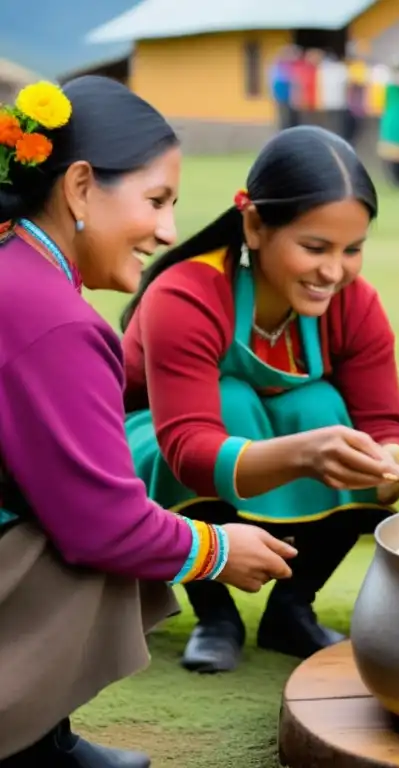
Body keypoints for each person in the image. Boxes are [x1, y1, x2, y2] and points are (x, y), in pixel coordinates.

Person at [0, 77, 295, 768]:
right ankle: (23, 739)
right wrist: (220, 549)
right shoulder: (54, 320)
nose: (168, 231)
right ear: (78, 188)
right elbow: (103, 522)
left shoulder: (13, 264)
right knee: (87, 544)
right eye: (156, 200)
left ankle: (46, 733)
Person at [119, 125, 399, 675]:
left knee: (321, 410)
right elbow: (188, 448)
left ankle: (291, 607)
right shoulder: (185, 294)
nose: (334, 272)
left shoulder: (354, 304)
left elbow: (389, 424)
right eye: (314, 247)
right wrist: (307, 455)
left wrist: (392, 466)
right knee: (231, 400)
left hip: (272, 438)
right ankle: (215, 613)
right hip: (151, 449)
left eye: (352, 250)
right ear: (255, 224)